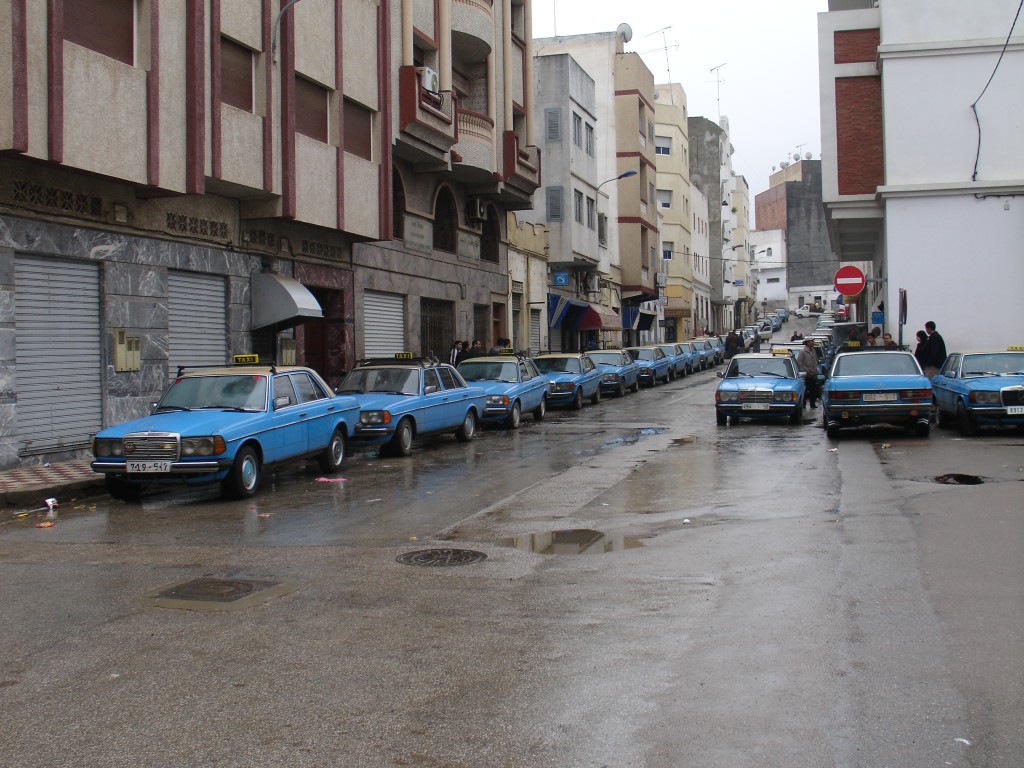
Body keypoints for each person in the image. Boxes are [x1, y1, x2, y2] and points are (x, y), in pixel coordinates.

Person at [796, 338, 820, 409]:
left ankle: (812, 404)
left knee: (813, 390)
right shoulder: (802, 352)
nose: (813, 342)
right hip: (806, 375)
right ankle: (803, 404)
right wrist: (806, 372)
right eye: (811, 341)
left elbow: (815, 362)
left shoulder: (813, 351)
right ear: (807, 343)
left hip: (813, 374)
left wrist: (815, 371)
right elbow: (799, 363)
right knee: (805, 390)